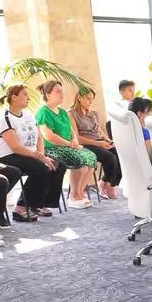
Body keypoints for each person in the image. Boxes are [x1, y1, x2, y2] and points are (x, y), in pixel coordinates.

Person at [0, 84, 66, 221]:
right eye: (25, 94)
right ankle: (21, 207)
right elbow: (15, 147)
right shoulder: (5, 118)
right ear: (14, 97)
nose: (29, 98)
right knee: (40, 168)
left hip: (30, 154)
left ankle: (40, 204)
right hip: (8, 156)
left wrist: (41, 154)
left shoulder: (29, 115)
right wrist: (39, 157)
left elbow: (39, 138)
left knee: (58, 165)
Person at [36, 80, 98, 210]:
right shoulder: (43, 112)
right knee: (80, 162)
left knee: (91, 157)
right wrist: (69, 144)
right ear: (48, 95)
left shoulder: (62, 112)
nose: (62, 94)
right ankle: (73, 196)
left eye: (62, 91)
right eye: (58, 92)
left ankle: (79, 193)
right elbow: (49, 136)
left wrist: (74, 140)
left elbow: (71, 130)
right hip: (52, 148)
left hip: (68, 146)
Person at [70, 88, 121, 199]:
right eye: (88, 99)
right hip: (85, 145)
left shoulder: (93, 114)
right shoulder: (71, 114)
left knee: (119, 155)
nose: (90, 101)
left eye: (92, 99)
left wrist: (107, 140)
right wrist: (99, 144)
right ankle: (109, 185)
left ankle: (104, 183)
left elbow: (99, 131)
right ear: (79, 98)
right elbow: (77, 138)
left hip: (99, 142)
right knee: (110, 157)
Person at [127, 97, 152, 202]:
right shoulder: (143, 134)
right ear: (140, 114)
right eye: (149, 111)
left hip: (139, 185)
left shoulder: (129, 131)